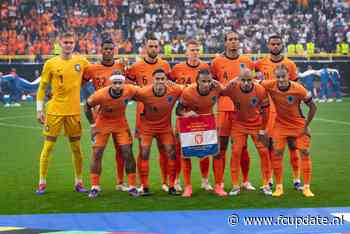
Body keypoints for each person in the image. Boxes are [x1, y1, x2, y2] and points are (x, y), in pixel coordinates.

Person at [35, 30, 89, 194]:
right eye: (65, 43)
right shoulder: (50, 63)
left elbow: (95, 74)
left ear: (75, 43)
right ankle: (42, 182)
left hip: (73, 112)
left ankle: (78, 182)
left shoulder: (82, 62)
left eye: (71, 42)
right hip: (54, 112)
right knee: (49, 146)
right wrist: (39, 109)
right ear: (59, 43)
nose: (68, 45)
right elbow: (42, 88)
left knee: (77, 149)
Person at [260, 64, 317, 197]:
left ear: (289, 76)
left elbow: (313, 107)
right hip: (280, 125)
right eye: (278, 76)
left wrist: (306, 125)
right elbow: (255, 82)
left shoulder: (298, 89)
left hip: (298, 125)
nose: (280, 79)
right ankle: (279, 187)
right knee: (277, 153)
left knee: (305, 152)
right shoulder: (270, 84)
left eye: (283, 76)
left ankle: (306, 187)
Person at [126, 35, 173, 192]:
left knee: (164, 150)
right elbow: (128, 83)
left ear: (159, 48)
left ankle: (165, 182)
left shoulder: (165, 65)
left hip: (163, 116)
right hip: (143, 115)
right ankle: (143, 184)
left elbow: (171, 85)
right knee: (143, 151)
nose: (153, 49)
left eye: (155, 46)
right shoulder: (137, 66)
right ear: (145, 48)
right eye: (150, 46)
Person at [210, 31, 255, 195]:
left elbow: (253, 85)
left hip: (242, 111)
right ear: (225, 42)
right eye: (230, 39)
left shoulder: (247, 61)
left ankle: (245, 181)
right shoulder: (216, 62)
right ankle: (219, 184)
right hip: (223, 110)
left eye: (236, 39)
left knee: (242, 148)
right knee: (220, 148)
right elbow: (212, 85)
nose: (234, 42)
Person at [255, 35, 301, 190]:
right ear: (268, 45)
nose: (275, 46)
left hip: (288, 111)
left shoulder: (290, 64)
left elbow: (297, 88)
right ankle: (268, 181)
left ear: (282, 45)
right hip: (268, 111)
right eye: (272, 44)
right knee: (269, 146)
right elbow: (255, 84)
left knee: (293, 145)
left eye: (278, 44)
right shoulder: (260, 64)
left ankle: (297, 180)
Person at [83, 38, 128, 192]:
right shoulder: (92, 69)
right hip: (100, 116)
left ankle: (121, 182)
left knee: (122, 149)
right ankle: (95, 185)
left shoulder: (121, 65)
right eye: (106, 49)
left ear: (114, 50)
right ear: (101, 50)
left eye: (111, 49)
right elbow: (79, 83)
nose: (108, 51)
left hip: (118, 115)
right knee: (97, 151)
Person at [84, 74, 139, 198]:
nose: (118, 85)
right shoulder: (101, 94)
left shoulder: (130, 90)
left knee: (127, 152)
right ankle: (95, 186)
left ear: (123, 83)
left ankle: (132, 186)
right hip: (102, 123)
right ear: (111, 83)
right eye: (115, 83)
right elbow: (87, 106)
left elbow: (144, 93)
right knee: (97, 153)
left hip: (120, 123)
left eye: (120, 83)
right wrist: (93, 125)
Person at [220, 68, 271, 196]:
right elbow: (221, 92)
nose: (246, 83)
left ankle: (266, 184)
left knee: (264, 153)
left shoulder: (260, 89)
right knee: (236, 152)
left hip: (256, 124)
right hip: (239, 125)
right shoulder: (233, 88)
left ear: (253, 79)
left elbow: (266, 111)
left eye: (249, 80)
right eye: (243, 80)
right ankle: (236, 185)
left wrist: (263, 129)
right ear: (239, 79)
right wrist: (231, 81)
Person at [170, 39, 213, 192]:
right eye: (191, 50)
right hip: (184, 115)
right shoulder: (177, 68)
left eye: (196, 50)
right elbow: (170, 86)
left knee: (205, 149)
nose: (194, 52)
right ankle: (176, 180)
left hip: (203, 116)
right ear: (186, 52)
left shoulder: (206, 67)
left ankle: (205, 181)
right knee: (180, 150)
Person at [133, 69, 183, 196]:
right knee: (144, 154)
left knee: (171, 154)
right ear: (153, 80)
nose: (160, 81)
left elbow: (189, 90)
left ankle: (171, 186)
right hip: (146, 128)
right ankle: (144, 187)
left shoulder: (175, 90)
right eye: (157, 79)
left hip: (165, 128)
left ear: (166, 80)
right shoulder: (143, 92)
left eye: (162, 79)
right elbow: (127, 93)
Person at [175, 69, 221, 197]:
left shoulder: (216, 89)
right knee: (185, 154)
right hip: (189, 125)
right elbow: (178, 111)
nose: (206, 84)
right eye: (203, 81)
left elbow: (229, 91)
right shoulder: (188, 92)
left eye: (208, 81)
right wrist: (186, 113)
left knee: (207, 151)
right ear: (197, 81)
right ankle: (187, 186)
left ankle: (206, 181)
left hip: (207, 124)